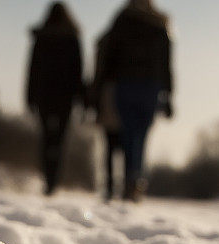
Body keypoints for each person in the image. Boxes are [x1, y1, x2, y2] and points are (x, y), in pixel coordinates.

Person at [101, 0, 173, 201]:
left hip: (126, 85)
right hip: (150, 87)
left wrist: (104, 85)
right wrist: (168, 94)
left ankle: (131, 180)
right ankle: (135, 179)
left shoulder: (122, 20)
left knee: (128, 133)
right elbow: (166, 63)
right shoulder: (159, 24)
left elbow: (110, 54)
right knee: (140, 136)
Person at [27, 2, 84, 195]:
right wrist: (80, 97)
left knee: (47, 138)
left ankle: (48, 179)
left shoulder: (42, 37)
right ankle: (53, 180)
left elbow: (33, 70)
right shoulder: (72, 38)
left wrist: (30, 97)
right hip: (64, 97)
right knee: (58, 139)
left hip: (44, 95)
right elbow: (78, 71)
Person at [89, 30, 122, 201]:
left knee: (110, 145)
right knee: (123, 145)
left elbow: (98, 71)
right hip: (125, 95)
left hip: (108, 94)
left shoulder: (105, 41)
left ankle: (111, 185)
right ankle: (119, 185)